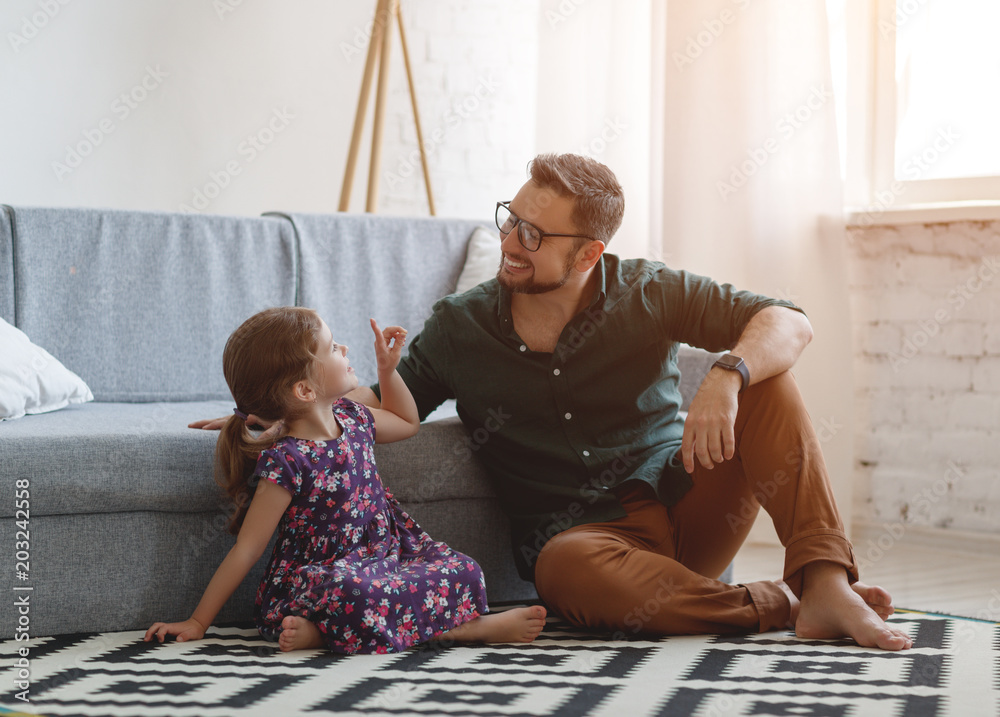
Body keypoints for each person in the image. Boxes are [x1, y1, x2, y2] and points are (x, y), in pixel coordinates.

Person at [192, 154, 911, 652]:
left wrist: (725, 374)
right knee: (564, 566)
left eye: (534, 234)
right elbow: (370, 408)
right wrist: (266, 412)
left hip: (687, 503)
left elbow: (791, 320)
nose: (511, 241)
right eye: (511, 219)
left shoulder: (646, 289)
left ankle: (823, 583)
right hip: (585, 546)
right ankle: (777, 606)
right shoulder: (461, 326)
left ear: (590, 253)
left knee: (769, 382)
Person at [148, 307, 546, 654]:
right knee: (358, 594)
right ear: (305, 389)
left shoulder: (354, 418)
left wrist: (389, 370)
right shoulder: (286, 462)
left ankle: (328, 635)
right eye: (333, 347)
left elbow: (407, 422)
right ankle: (462, 631)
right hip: (325, 578)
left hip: (385, 559)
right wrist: (198, 622)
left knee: (464, 570)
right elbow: (247, 550)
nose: (345, 350)